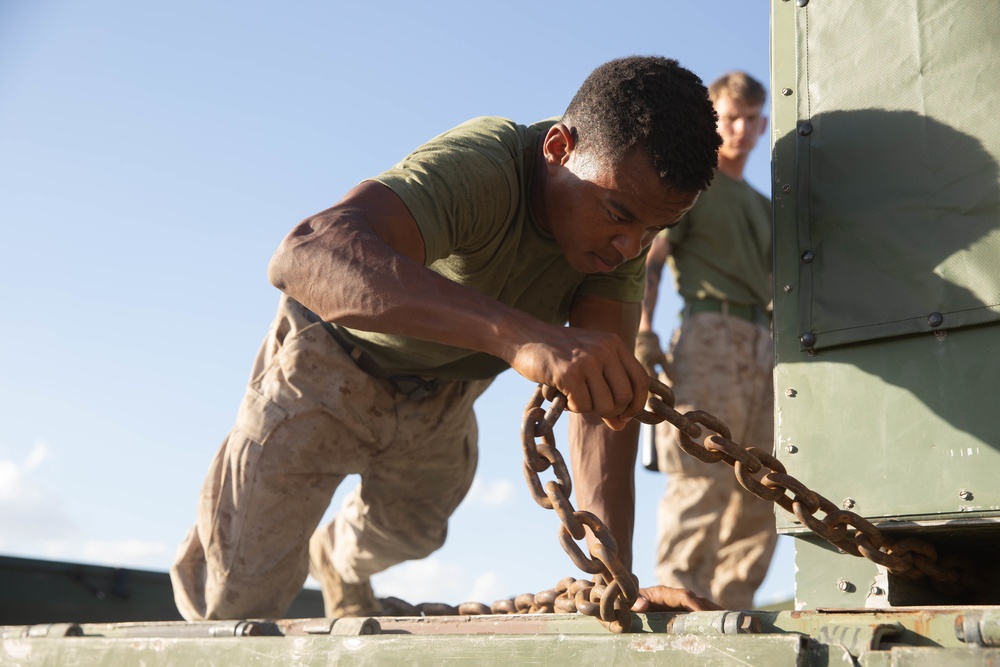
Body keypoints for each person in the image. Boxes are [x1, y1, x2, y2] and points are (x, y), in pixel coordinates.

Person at [169, 56, 723, 622]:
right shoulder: (485, 166)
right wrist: (518, 336)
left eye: (654, 230)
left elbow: (603, 404)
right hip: (325, 367)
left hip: (442, 398)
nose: (630, 248)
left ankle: (330, 557)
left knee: (412, 531)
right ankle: (228, 548)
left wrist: (614, 576)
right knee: (236, 601)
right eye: (618, 214)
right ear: (558, 148)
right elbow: (305, 252)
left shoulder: (616, 248)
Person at [635, 70, 776, 610]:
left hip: (762, 341)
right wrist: (643, 331)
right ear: (716, 122)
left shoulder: (763, 206)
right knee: (701, 472)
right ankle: (678, 597)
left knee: (762, 482)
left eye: (750, 119)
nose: (740, 129)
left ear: (763, 125)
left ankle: (734, 608)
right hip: (708, 333)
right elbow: (653, 259)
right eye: (730, 118)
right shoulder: (697, 187)